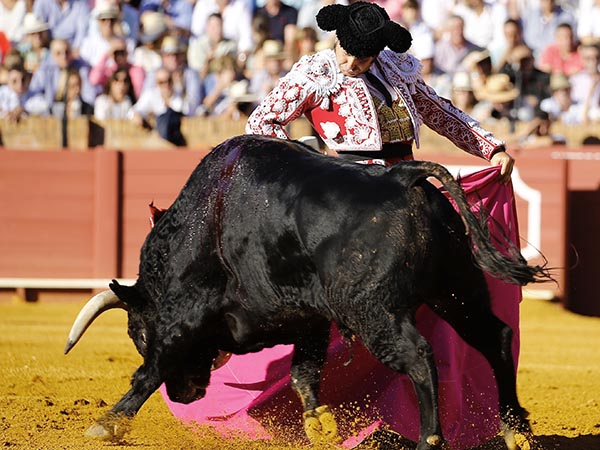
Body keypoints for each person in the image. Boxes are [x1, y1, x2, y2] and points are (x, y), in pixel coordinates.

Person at [161, 3, 528, 450]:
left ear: (379, 52)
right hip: (347, 197)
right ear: (336, 39)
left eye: (365, 58)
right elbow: (261, 123)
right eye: (349, 53)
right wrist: (310, 166)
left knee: (453, 277)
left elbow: (437, 110)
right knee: (315, 301)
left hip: (407, 185)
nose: (352, 64)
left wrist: (489, 147)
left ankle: (428, 416)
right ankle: (230, 363)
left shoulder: (398, 66)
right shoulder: (314, 73)